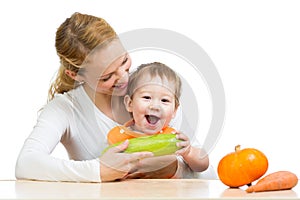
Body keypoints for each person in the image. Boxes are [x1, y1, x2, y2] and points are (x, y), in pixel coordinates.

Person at [15, 12, 208, 182]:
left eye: (124, 60)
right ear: (76, 76)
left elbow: (208, 174)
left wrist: (176, 169)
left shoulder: (155, 94)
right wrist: (98, 170)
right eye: (106, 77)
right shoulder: (66, 109)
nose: (124, 77)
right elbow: (26, 163)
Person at [106, 62, 209, 174]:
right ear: (129, 104)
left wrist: (189, 152)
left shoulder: (174, 137)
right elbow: (105, 167)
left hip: (166, 191)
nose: (155, 106)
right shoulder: (118, 136)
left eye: (164, 100)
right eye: (147, 97)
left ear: (174, 110)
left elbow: (203, 166)